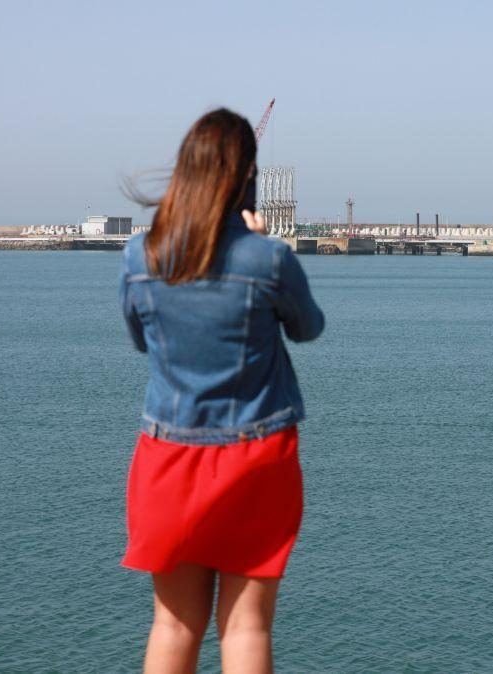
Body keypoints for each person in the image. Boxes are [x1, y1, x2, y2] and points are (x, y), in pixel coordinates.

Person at [118, 108, 324, 673]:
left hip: (167, 457)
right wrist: (262, 247)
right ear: (246, 178)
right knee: (246, 628)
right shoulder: (268, 259)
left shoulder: (141, 256)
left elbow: (144, 341)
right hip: (256, 456)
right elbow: (308, 327)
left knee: (173, 626)